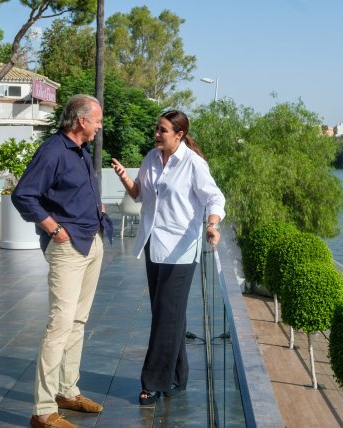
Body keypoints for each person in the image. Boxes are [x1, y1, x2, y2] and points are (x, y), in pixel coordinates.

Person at [111, 109, 225, 405]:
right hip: (154, 244)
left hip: (182, 249)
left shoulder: (193, 163)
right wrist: (124, 176)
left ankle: (154, 380)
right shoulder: (151, 157)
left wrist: (212, 224)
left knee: (165, 315)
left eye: (162, 130)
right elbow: (139, 195)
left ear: (179, 135)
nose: (156, 134)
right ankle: (178, 375)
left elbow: (215, 197)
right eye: (157, 129)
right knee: (166, 314)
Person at [12, 94, 113, 428]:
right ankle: (42, 411)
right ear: (81, 121)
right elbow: (23, 194)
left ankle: (67, 391)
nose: (100, 126)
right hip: (68, 248)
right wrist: (54, 228)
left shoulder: (80, 151)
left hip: (91, 241)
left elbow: (69, 193)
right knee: (59, 326)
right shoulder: (54, 151)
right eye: (96, 120)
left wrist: (95, 209)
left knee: (78, 322)